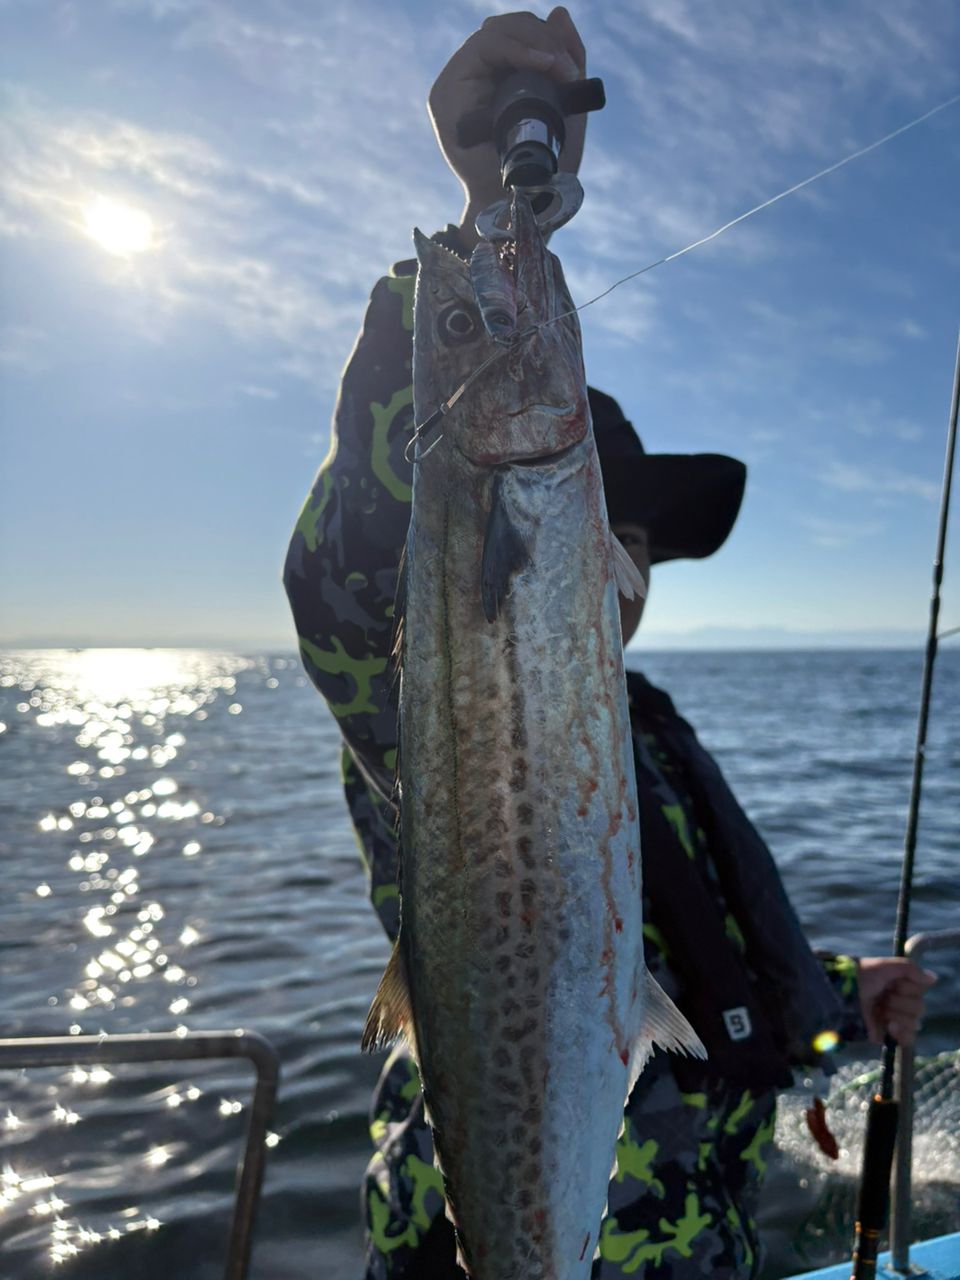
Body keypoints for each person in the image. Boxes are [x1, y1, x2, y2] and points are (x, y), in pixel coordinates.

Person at [283, 10, 934, 1276]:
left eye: (631, 536)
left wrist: (842, 992)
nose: (618, 555)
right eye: (605, 520)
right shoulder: (433, 686)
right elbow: (345, 589)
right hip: (501, 1230)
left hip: (699, 1242)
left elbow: (683, 965)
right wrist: (483, 207)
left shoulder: (645, 739)